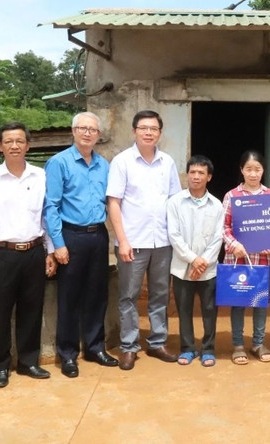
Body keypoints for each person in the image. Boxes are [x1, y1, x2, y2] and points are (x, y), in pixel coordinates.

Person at [0, 122, 57, 388]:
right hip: (2, 254)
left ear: (28, 146)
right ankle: (0, 366)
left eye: (19, 141)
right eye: (8, 141)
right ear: (0, 146)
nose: (14, 146)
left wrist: (50, 251)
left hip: (34, 251)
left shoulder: (40, 176)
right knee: (1, 312)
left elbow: (46, 217)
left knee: (32, 311)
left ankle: (28, 362)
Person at [44, 111, 118, 378]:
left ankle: (95, 348)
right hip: (71, 235)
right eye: (83, 128)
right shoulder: (59, 163)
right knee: (69, 296)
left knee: (97, 294)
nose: (88, 133)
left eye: (93, 130)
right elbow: (50, 206)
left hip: (98, 235)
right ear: (73, 131)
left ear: (98, 135)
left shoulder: (104, 165)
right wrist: (58, 244)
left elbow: (111, 202)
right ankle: (68, 353)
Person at [107, 110, 182, 370]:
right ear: (134, 131)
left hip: (162, 241)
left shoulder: (168, 162)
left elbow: (175, 201)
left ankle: (157, 342)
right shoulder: (122, 161)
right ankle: (129, 346)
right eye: (143, 128)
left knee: (160, 294)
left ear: (160, 133)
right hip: (133, 242)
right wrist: (122, 240)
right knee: (128, 295)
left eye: (153, 129)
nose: (148, 132)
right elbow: (114, 203)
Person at [166, 155, 224, 367]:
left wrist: (203, 263)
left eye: (201, 173)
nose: (196, 177)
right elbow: (173, 235)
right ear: (187, 175)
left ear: (209, 177)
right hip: (182, 268)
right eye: (192, 172)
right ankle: (188, 348)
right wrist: (193, 260)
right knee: (184, 311)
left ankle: (208, 349)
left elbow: (219, 237)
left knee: (209, 311)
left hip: (208, 270)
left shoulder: (216, 205)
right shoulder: (175, 203)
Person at [221, 151, 270, 365]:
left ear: (263, 170)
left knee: (260, 302)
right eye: (249, 169)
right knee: (238, 302)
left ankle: (258, 343)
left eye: (258, 169)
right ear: (242, 170)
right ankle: (237, 345)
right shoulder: (232, 196)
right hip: (238, 259)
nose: (253, 174)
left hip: (263, 260)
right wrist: (234, 245)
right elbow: (224, 227)